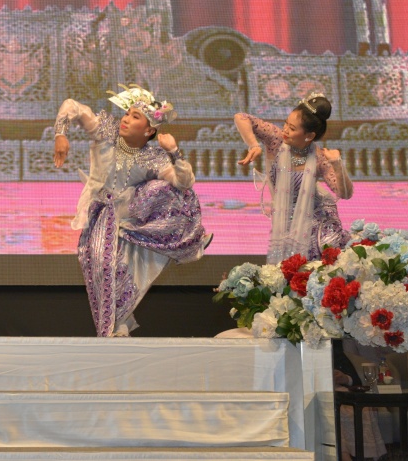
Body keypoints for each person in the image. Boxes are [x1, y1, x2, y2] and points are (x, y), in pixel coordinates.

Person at [54, 85, 211, 337]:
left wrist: (174, 152)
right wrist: (60, 134)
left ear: (149, 130)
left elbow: (183, 182)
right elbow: (72, 106)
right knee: (101, 266)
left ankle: (183, 239)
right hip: (101, 213)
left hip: (133, 219)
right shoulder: (106, 133)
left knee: (165, 189)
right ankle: (113, 327)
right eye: (126, 114)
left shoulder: (154, 158)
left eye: (135, 116)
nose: (126, 119)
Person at [234, 92, 352, 263]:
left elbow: (345, 193)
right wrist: (253, 145)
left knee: (316, 261)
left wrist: (337, 165)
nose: (285, 130)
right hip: (286, 220)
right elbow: (241, 117)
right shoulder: (276, 139)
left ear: (309, 136)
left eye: (292, 128)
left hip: (316, 219)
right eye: (286, 123)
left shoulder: (319, 158)